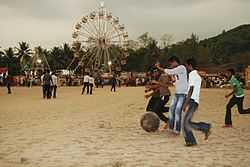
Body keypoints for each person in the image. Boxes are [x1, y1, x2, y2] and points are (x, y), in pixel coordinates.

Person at [156, 56, 188, 135]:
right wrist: (171, 78)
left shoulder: (182, 67)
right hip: (177, 93)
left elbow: (170, 71)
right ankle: (171, 128)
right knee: (171, 111)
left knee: (177, 111)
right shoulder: (177, 72)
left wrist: (158, 67)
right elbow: (174, 82)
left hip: (182, 93)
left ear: (175, 62)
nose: (171, 65)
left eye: (171, 63)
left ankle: (177, 130)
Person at [182, 58, 211, 146]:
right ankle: (192, 139)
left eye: (187, 66)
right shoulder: (197, 75)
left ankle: (192, 140)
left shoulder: (192, 74)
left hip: (192, 100)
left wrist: (185, 103)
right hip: (194, 100)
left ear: (190, 65)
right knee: (186, 122)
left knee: (186, 123)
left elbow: (191, 89)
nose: (186, 68)